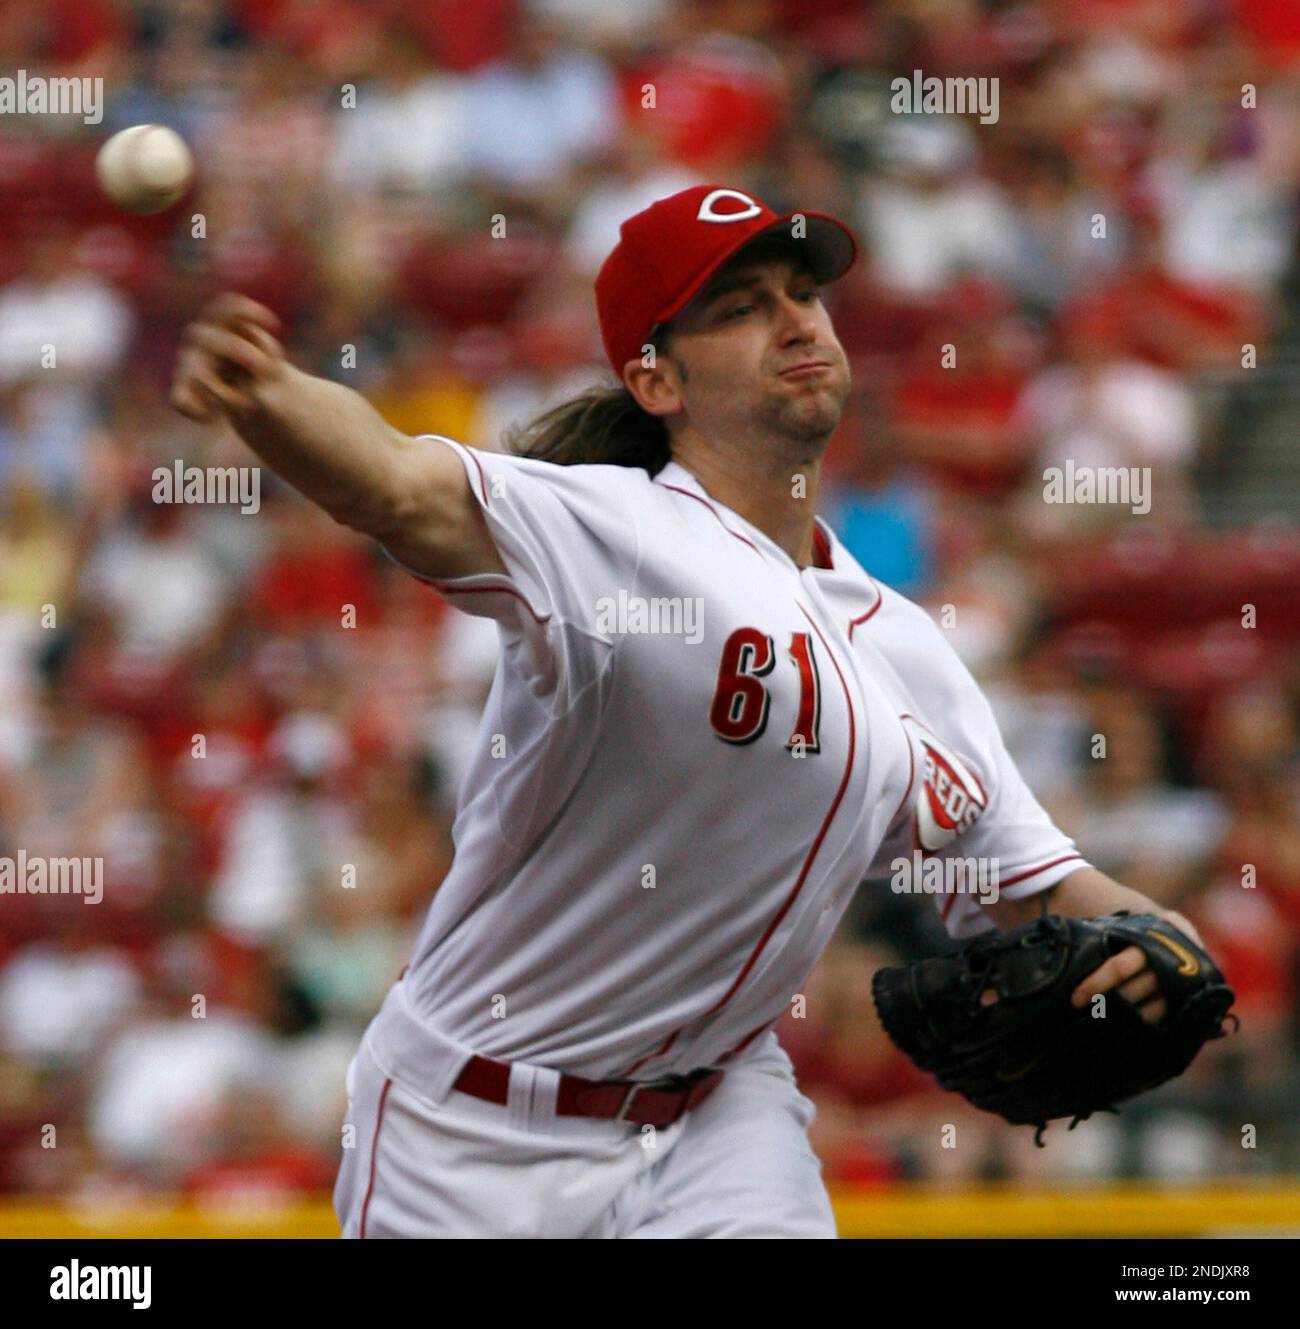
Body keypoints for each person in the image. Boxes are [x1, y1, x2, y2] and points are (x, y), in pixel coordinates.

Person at [169, 183, 1204, 1238]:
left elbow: (1033, 882)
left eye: (803, 293)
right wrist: (266, 394)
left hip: (719, 1121)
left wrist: (1170, 947)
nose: (797, 319)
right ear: (653, 376)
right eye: (741, 306)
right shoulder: (610, 535)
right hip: (473, 1126)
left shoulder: (908, 649)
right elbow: (393, 483)